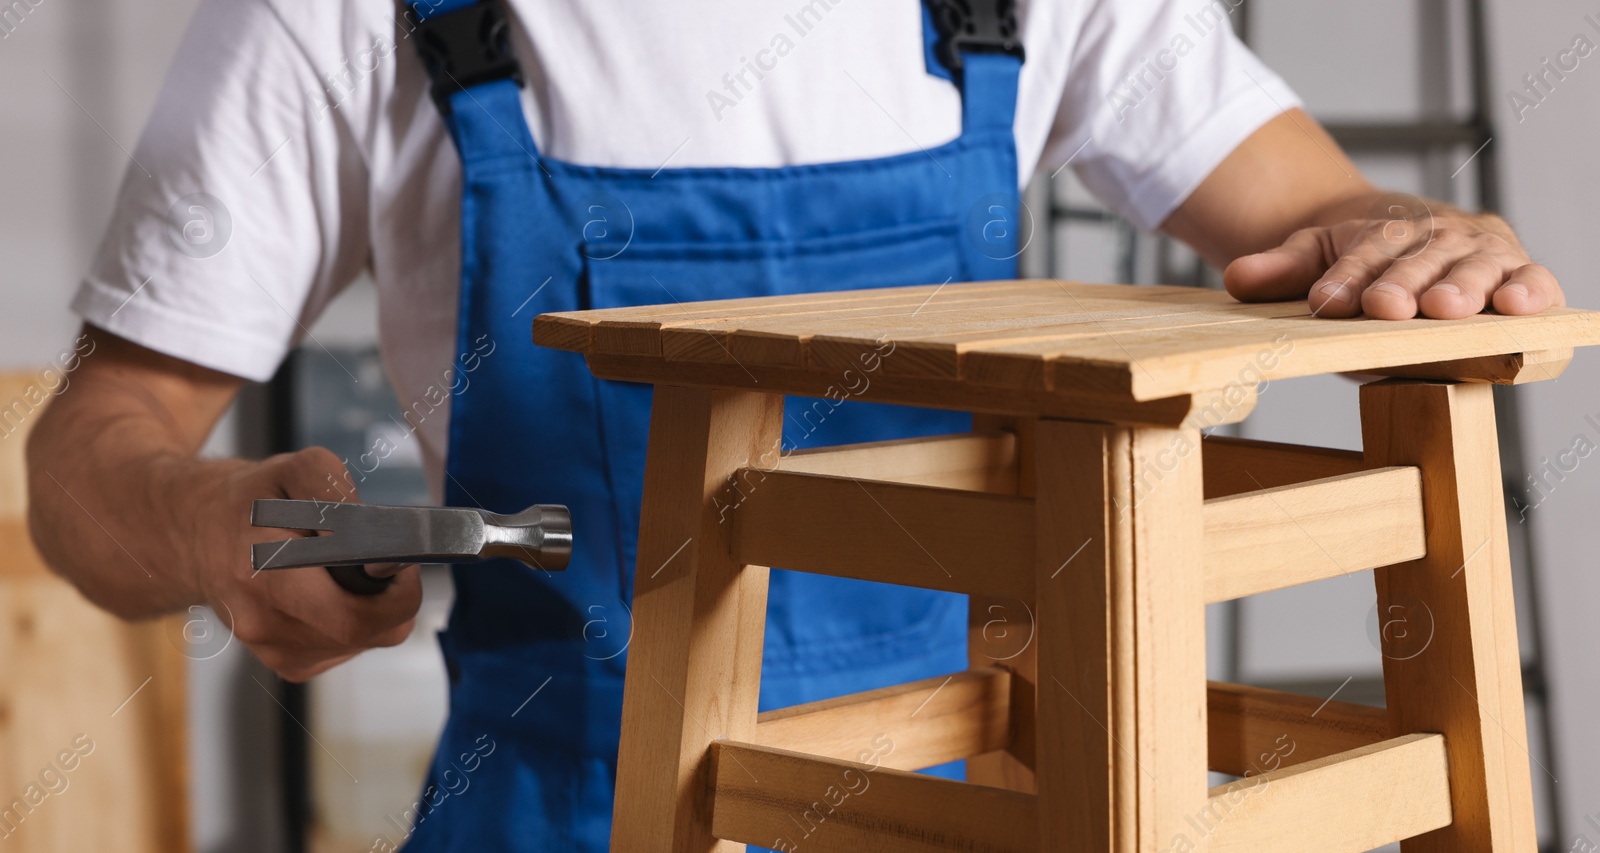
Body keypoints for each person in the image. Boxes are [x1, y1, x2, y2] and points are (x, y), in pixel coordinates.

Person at [26, 0, 1565, 849]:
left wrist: (1409, 234)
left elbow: (1325, 217)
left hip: (1005, 812)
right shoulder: (338, 15)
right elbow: (95, 446)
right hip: (567, 814)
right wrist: (204, 520)